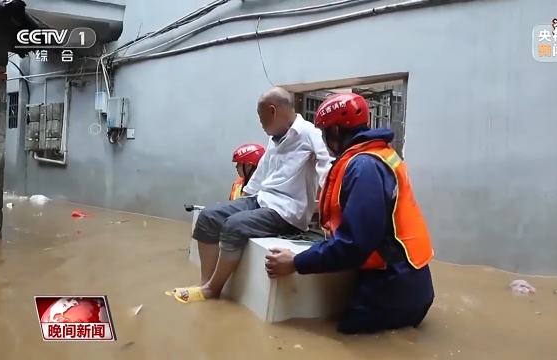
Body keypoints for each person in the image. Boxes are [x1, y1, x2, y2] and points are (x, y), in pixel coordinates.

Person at [265, 92, 435, 334]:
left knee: (346, 339)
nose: (323, 141)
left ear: (334, 131)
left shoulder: (363, 167)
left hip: (393, 285)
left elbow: (355, 244)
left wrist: (296, 262)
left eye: (324, 133)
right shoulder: (375, 157)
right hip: (408, 280)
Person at [167, 87, 332, 303]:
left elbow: (326, 167)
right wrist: (244, 198)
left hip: (285, 212)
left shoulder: (310, 134)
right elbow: (261, 172)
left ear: (272, 110)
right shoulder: (275, 138)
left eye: (260, 116)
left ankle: (213, 289)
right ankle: (203, 283)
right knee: (209, 217)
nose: (261, 123)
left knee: (234, 225)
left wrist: (329, 205)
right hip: (261, 200)